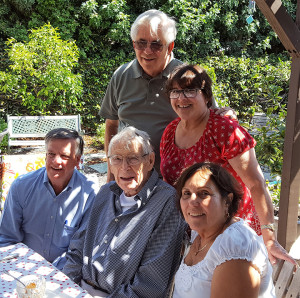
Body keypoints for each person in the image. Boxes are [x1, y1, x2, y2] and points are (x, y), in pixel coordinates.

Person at [160, 63, 296, 265]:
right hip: (193, 234)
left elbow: (256, 183)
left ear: (206, 96)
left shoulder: (223, 129)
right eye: (175, 92)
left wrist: (269, 237)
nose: (181, 98)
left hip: (232, 234)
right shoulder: (170, 131)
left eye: (190, 91)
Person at [99, 9, 234, 180]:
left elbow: (211, 121)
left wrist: (226, 116)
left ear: (170, 46)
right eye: (141, 43)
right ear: (134, 44)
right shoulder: (121, 75)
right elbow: (111, 125)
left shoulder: (188, 78)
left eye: (156, 44)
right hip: (130, 178)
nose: (147, 51)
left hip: (177, 179)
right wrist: (112, 171)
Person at [63, 127, 185, 297]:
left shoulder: (166, 202)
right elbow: (78, 246)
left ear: (150, 161)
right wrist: (67, 285)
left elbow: (150, 285)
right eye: (117, 159)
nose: (124, 167)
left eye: (133, 158)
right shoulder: (105, 193)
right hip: (77, 289)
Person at [173, 162, 276, 298]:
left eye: (204, 193)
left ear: (227, 200)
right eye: (186, 193)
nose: (192, 201)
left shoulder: (234, 245)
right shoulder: (200, 233)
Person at [0, 128, 97, 269]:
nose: (56, 161)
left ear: (77, 160)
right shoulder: (22, 186)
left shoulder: (89, 194)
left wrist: (52, 272)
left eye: (64, 156)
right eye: (51, 154)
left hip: (65, 271)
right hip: (22, 266)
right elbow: (8, 238)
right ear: (45, 156)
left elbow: (80, 249)